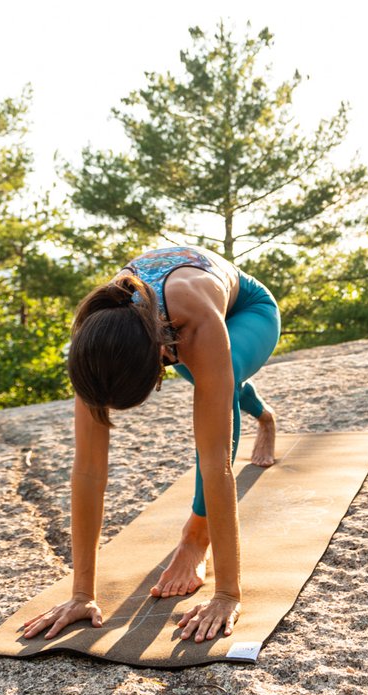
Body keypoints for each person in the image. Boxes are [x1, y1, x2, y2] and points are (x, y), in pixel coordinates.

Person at [21, 244, 281, 645]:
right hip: (165, 328)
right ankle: (261, 411)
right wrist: (81, 594)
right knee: (213, 379)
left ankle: (196, 537)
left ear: (160, 363)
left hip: (249, 310)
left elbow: (216, 463)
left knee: (222, 378)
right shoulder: (98, 336)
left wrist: (227, 595)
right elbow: (88, 471)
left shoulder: (194, 321)